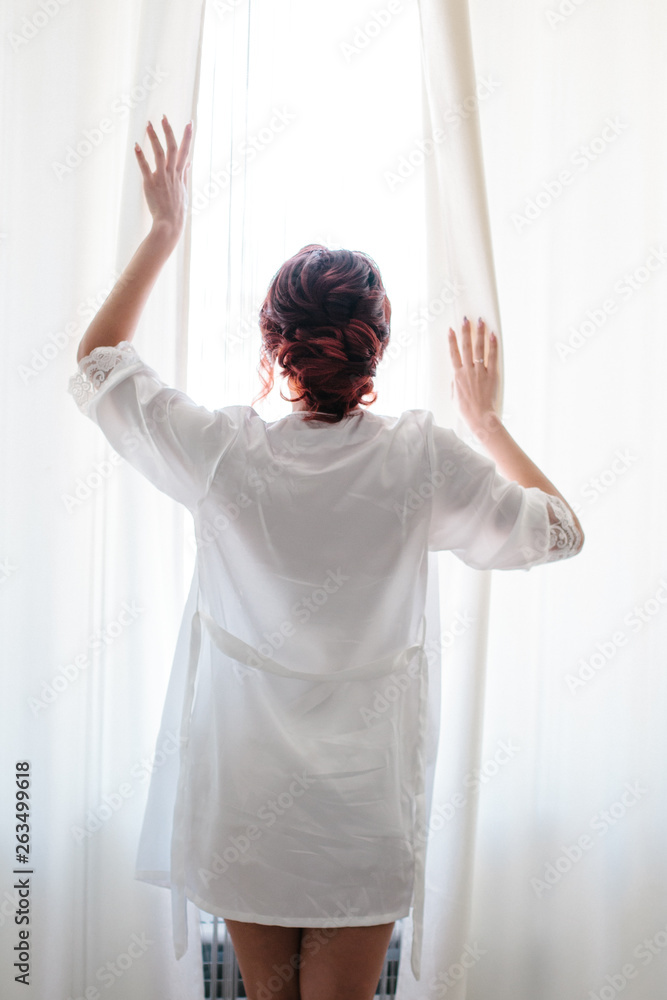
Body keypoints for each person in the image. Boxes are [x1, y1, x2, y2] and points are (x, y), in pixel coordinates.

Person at [68, 117, 584, 1000]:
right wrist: (487, 423)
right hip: (360, 805)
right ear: (375, 343)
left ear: (276, 343)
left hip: (243, 797)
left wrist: (163, 231)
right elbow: (560, 531)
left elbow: (96, 366)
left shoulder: (224, 454)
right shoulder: (422, 460)